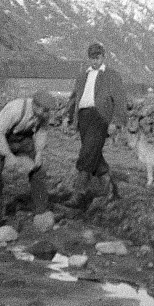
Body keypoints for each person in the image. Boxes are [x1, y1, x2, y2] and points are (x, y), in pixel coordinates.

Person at [63, 42, 128, 209]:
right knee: (93, 153)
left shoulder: (112, 75)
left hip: (100, 117)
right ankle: (110, 189)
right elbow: (73, 98)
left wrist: (116, 122)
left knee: (87, 153)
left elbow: (120, 100)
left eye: (97, 57)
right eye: (92, 58)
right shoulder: (82, 76)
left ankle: (79, 193)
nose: (95, 61)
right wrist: (67, 116)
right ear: (88, 58)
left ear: (103, 57)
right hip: (83, 117)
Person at [0, 89, 58, 226]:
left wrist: (39, 153)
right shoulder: (15, 109)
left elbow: (42, 132)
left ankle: (41, 211)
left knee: (38, 171)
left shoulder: (44, 114)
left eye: (47, 111)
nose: (45, 114)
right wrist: (8, 155)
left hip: (23, 138)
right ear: (35, 105)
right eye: (43, 110)